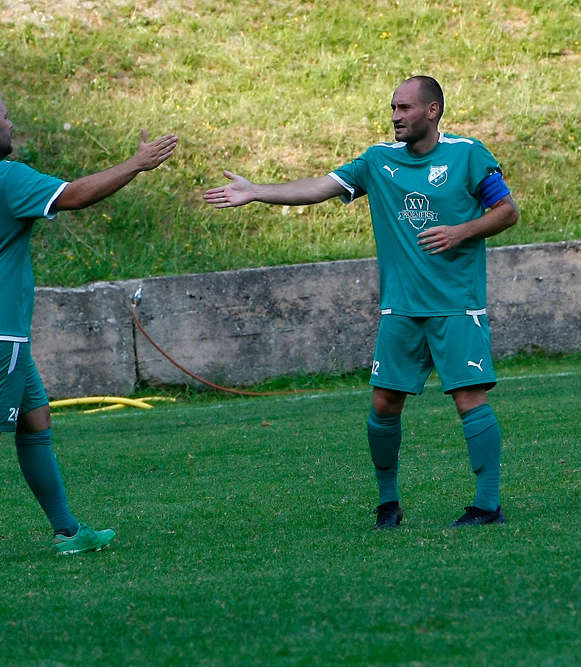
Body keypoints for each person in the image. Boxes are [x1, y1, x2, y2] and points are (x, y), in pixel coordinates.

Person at [204, 75, 519, 529]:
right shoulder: (377, 161)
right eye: (393, 108)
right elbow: (319, 186)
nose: (395, 117)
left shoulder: (468, 154)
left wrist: (460, 231)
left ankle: (488, 506)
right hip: (401, 309)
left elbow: (507, 211)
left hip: (456, 304)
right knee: (384, 404)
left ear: (432, 111)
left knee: (469, 398)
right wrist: (257, 192)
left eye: (405, 108)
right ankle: (388, 504)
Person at [0, 86, 177, 569]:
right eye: (7, 117)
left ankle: (68, 531)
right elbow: (74, 195)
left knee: (36, 422)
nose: (13, 124)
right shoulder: (4, 177)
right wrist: (136, 164)